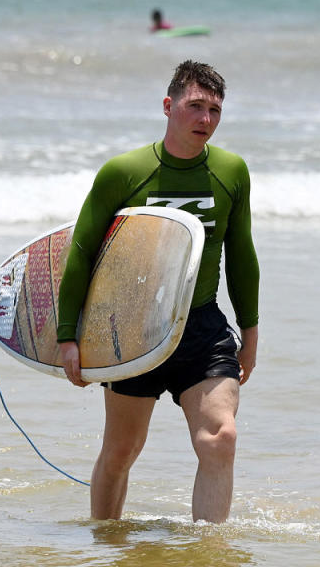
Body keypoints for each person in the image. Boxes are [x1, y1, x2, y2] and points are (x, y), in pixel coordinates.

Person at [56, 60, 260, 523]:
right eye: (194, 106)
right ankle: (105, 542)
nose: (205, 119)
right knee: (122, 450)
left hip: (202, 326)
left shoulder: (231, 172)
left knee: (220, 437)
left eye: (214, 110)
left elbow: (242, 256)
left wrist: (250, 334)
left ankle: (206, 553)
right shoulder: (124, 172)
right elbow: (83, 253)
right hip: (134, 330)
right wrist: (69, 335)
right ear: (169, 107)